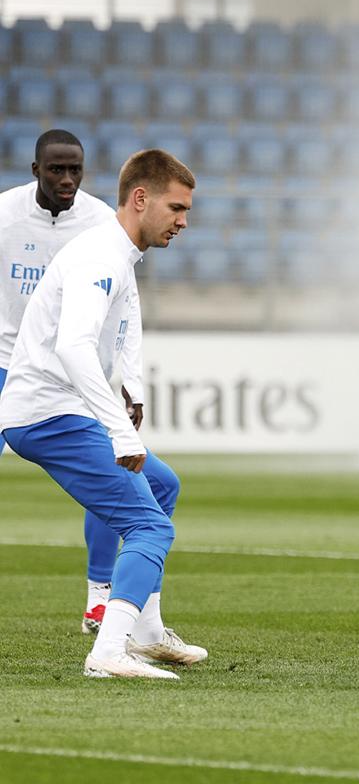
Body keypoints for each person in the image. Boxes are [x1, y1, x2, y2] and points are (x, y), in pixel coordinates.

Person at [0, 149, 206, 679]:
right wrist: (119, 429)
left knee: (163, 487)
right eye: (177, 208)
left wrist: (131, 386)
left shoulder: (119, 253)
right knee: (149, 527)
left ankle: (148, 634)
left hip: (58, 409)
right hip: (47, 414)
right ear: (141, 199)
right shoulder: (99, 256)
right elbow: (74, 346)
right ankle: (109, 652)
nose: (184, 221)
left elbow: (125, 321)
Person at [0, 129, 133, 633]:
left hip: (67, 376)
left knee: (112, 476)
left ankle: (99, 599)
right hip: (4, 362)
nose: (67, 179)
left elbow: (123, 303)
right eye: (56, 169)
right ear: (35, 170)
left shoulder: (100, 221)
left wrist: (118, 375)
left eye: (75, 169)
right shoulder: (5, 215)